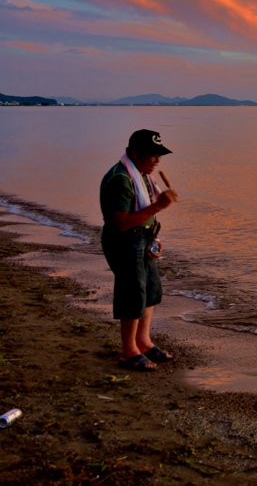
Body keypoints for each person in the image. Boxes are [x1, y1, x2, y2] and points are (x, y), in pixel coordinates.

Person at [99, 129, 179, 371]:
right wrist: (159, 206)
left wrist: (153, 238)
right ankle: (128, 351)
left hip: (142, 238)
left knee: (150, 290)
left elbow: (142, 214)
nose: (156, 161)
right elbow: (122, 222)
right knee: (132, 292)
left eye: (159, 156)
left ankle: (142, 342)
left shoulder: (142, 174)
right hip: (124, 240)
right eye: (152, 155)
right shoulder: (121, 178)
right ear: (134, 152)